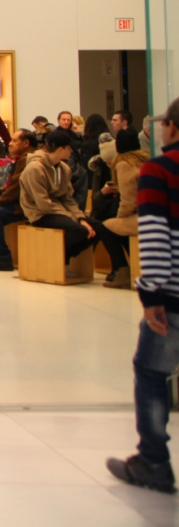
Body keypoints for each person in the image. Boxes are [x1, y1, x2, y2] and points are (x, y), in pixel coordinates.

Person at [107, 98, 179, 493]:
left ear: (171, 127)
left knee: (152, 375)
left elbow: (153, 237)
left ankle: (153, 460)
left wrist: (151, 294)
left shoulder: (160, 170)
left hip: (172, 298)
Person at [20, 128, 118, 280]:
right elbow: (43, 204)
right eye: (69, 147)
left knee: (98, 227)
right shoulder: (34, 169)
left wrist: (80, 217)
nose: (72, 150)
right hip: (40, 213)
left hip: (61, 211)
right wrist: (76, 220)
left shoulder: (64, 169)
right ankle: (55, 260)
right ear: (60, 149)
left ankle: (116, 269)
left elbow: (68, 199)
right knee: (80, 230)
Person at [0, 128, 36, 272]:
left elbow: (16, 188)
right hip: (21, 202)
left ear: (26, 143)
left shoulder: (27, 160)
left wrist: (0, 201)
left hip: (27, 205)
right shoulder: (22, 159)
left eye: (14, 140)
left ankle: (2, 258)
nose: (10, 144)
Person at [99, 129, 148, 289]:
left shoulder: (124, 164)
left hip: (141, 217)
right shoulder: (146, 158)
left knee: (105, 226)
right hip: (157, 214)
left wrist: (120, 218)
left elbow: (128, 201)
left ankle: (123, 270)